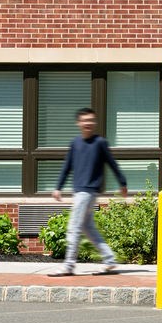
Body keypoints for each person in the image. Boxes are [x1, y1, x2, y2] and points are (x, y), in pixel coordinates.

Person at [48, 108, 127, 276]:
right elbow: (67, 166)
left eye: (91, 120)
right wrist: (58, 187)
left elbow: (112, 163)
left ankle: (69, 265)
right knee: (87, 227)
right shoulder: (75, 143)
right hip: (79, 191)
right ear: (79, 123)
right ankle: (109, 259)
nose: (88, 123)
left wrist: (122, 183)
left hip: (88, 191)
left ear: (95, 122)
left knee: (74, 227)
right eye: (85, 120)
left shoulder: (100, 143)